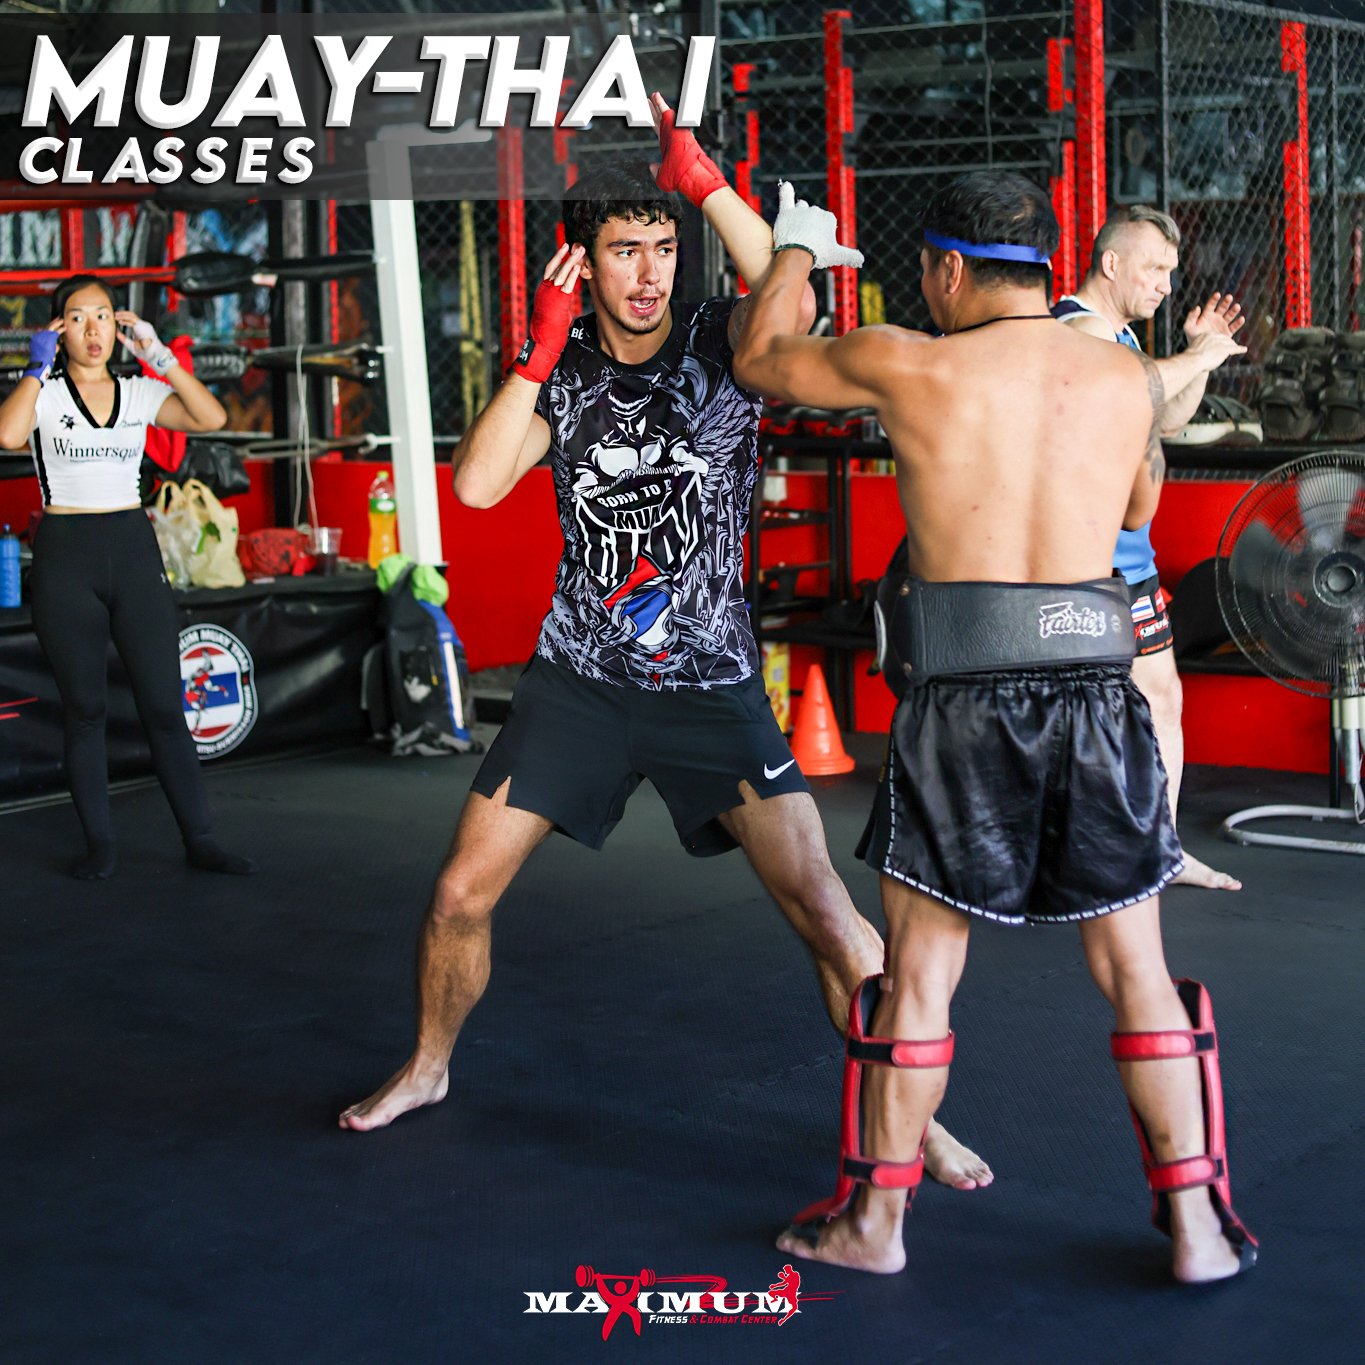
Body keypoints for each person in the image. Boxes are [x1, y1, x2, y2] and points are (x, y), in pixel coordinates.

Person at [339, 97, 990, 1194]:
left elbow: (795, 283)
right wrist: (538, 358)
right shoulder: (565, 369)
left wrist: (708, 187)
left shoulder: (725, 346)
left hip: (711, 687)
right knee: (458, 896)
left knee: (828, 915)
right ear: (581, 262)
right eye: (621, 249)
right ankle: (430, 1065)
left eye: (660, 246)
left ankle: (914, 1120)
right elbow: (480, 482)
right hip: (577, 684)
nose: (645, 270)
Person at [732, 172, 1254, 1283]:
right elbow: (1136, 511)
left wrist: (789, 249)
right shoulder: (1122, 377)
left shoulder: (906, 361)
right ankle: (1200, 1229)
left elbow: (760, 360)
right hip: (1092, 694)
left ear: (949, 269)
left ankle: (876, 1227)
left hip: (961, 700)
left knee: (920, 978)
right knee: (1139, 973)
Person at [0, 275, 254, 880]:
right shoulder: (47, 394)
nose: (94, 330)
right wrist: (34, 369)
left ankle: (201, 838)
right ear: (59, 330)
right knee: (84, 709)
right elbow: (9, 435)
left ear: (120, 326)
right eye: (79, 318)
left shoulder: (140, 391)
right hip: (66, 557)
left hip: (132, 552)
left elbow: (211, 416)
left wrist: (158, 353)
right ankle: (100, 846)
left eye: (105, 317)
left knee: (164, 706)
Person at [1054, 206, 1244, 891]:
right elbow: (1130, 389)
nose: (1166, 283)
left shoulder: (1125, 338)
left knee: (1160, 696)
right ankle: (1086, 853)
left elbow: (1161, 415)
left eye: (1170, 270)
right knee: (1087, 713)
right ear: (1110, 264)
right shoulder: (1075, 325)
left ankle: (1162, 850)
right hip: (1085, 565)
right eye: (1154, 268)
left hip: (1130, 560)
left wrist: (1202, 358)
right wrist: (1193, 356)